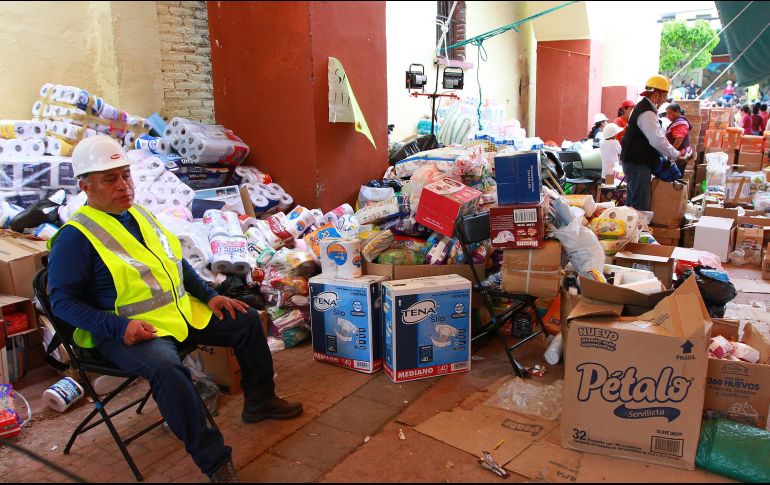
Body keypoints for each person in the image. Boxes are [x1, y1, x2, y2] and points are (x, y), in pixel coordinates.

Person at [47, 136, 303, 483]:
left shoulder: (137, 214)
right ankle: (215, 462)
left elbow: (175, 262)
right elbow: (62, 303)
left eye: (126, 175)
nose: (123, 186)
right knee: (167, 368)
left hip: (176, 314)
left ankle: (260, 402)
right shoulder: (75, 237)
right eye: (110, 179)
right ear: (85, 186)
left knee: (244, 318)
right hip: (123, 332)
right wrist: (118, 328)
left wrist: (208, 295)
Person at [619, 74, 681, 211]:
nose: (664, 101)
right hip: (637, 163)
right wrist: (675, 153)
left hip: (635, 162)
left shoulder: (644, 108)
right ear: (657, 95)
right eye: (664, 96)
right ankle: (638, 231)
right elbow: (657, 140)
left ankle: (632, 230)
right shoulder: (647, 112)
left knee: (633, 203)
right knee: (639, 206)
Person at [664, 103, 693, 172]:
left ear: (677, 112)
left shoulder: (680, 123)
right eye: (667, 114)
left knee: (675, 174)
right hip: (678, 153)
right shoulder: (677, 122)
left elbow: (679, 138)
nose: (668, 116)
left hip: (680, 154)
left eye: (670, 113)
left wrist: (672, 152)